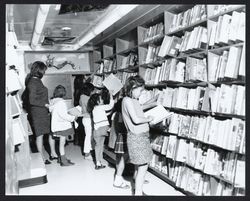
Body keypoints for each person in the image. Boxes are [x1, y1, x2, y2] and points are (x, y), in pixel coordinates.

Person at [122, 75, 154, 195]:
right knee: (143, 167)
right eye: (140, 90)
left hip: (141, 137)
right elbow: (136, 119)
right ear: (133, 88)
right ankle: (138, 193)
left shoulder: (132, 100)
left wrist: (151, 103)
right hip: (137, 138)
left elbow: (138, 108)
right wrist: (148, 118)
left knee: (140, 165)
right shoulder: (128, 100)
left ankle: (137, 189)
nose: (141, 93)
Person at [21, 61, 57, 164]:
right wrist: (45, 104)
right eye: (44, 70)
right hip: (38, 112)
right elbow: (32, 100)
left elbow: (39, 96)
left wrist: (48, 102)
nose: (44, 72)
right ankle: (41, 158)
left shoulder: (36, 81)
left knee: (51, 132)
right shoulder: (32, 82)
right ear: (39, 70)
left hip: (44, 111)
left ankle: (53, 154)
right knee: (40, 135)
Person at [48, 85, 77, 166]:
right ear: (63, 93)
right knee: (62, 143)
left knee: (61, 143)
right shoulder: (61, 102)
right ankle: (63, 161)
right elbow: (63, 115)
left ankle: (62, 158)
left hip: (57, 125)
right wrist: (73, 117)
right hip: (62, 126)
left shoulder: (53, 102)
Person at [87, 90, 114, 169]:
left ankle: (98, 163)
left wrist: (110, 112)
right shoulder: (101, 107)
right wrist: (111, 95)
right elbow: (110, 106)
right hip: (103, 129)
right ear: (97, 101)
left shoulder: (94, 109)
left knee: (98, 146)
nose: (102, 100)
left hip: (96, 130)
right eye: (101, 99)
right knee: (103, 145)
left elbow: (104, 114)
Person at [112, 95, 130, 189]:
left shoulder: (116, 114)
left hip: (120, 137)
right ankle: (118, 180)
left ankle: (118, 176)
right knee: (123, 159)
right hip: (124, 137)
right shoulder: (122, 115)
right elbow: (123, 126)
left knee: (119, 159)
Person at [79, 82, 95, 159]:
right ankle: (87, 154)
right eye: (92, 90)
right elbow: (90, 109)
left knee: (88, 135)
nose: (93, 92)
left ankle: (88, 151)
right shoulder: (87, 98)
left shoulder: (81, 97)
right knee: (89, 136)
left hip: (84, 118)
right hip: (88, 118)